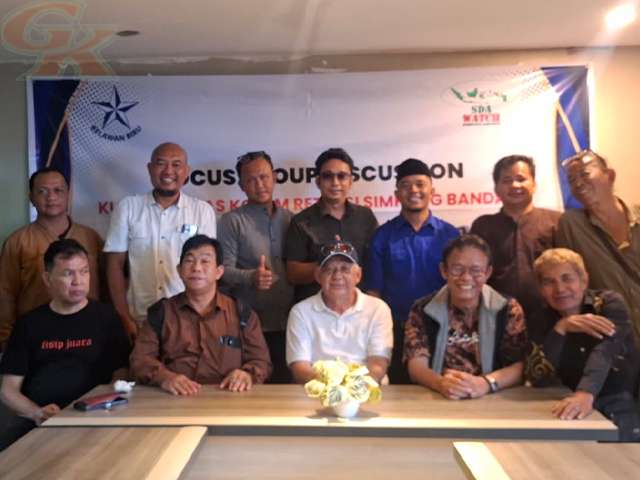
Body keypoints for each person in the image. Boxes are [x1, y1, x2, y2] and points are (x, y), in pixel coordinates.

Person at [0, 239, 130, 451]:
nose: (78, 281)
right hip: (38, 422)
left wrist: (99, 405)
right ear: (47, 279)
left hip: (95, 418)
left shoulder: (107, 318)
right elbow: (8, 391)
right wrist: (37, 413)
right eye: (68, 273)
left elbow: (121, 376)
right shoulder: (29, 324)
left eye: (84, 272)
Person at [130, 235, 272, 395]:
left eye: (205, 261)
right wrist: (165, 378)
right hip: (175, 400)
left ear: (219, 272)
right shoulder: (160, 313)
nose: (196, 268)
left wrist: (246, 374)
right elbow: (139, 360)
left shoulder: (241, 314)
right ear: (179, 270)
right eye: (190, 261)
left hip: (229, 399)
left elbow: (261, 362)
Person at [104, 142, 217, 341]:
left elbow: (208, 268)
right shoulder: (128, 208)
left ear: (186, 172)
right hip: (140, 319)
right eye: (161, 163)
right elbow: (114, 264)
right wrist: (124, 316)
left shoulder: (202, 211)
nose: (168, 171)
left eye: (176, 165)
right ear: (150, 169)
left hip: (189, 321)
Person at [525, 248, 640, 440]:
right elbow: (536, 376)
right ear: (541, 290)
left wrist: (584, 393)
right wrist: (561, 328)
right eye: (549, 282)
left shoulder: (608, 304)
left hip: (620, 405)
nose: (560, 289)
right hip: (571, 406)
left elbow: (604, 352)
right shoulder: (541, 319)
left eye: (567, 278)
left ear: (583, 280)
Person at [364, 158, 459, 384]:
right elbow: (373, 292)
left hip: (443, 330)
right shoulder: (382, 236)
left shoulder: (450, 235)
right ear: (397, 194)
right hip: (397, 331)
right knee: (398, 394)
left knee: (444, 389)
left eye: (420, 184)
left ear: (432, 191)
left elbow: (461, 285)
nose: (414, 190)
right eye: (406, 185)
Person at [404, 235, 528, 399]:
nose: (466, 278)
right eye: (457, 269)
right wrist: (440, 383)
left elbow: (520, 366)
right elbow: (416, 366)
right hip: (437, 396)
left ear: (488, 273)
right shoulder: (423, 308)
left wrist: (485, 383)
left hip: (492, 398)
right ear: (444, 271)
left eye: (476, 270)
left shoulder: (507, 308)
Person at [0, 168, 105, 351]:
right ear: (31, 198)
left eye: (58, 190)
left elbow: (105, 288)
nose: (51, 197)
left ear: (69, 195)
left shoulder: (91, 237)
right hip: (37, 338)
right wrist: (6, 340)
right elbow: (5, 296)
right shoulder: (17, 242)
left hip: (88, 334)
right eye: (43, 191)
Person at [218, 151, 294, 383]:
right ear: (241, 186)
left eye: (264, 177)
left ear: (275, 178)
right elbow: (222, 271)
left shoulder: (291, 219)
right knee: (251, 390)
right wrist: (251, 277)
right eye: (251, 180)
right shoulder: (232, 221)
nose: (259, 185)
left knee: (287, 391)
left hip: (290, 324)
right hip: (250, 327)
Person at [556, 149, 640, 347]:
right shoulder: (572, 224)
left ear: (610, 175)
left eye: (585, 174)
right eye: (571, 180)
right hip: (614, 340)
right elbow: (569, 279)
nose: (578, 183)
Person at [471, 154, 560, 327]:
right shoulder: (483, 226)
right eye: (507, 180)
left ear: (534, 185)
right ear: (496, 189)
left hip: (550, 316)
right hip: (497, 318)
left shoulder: (556, 222)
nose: (515, 185)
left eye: (521, 179)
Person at [286, 240, 393, 385]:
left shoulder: (378, 309)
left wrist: (357, 387)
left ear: (358, 275)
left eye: (345, 269)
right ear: (318, 276)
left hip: (368, 388)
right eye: (329, 269)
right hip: (317, 390)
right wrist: (332, 388)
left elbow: (378, 363)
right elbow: (300, 368)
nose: (337, 276)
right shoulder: (300, 312)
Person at [285, 148, 378, 303]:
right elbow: (293, 274)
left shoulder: (366, 217)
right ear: (318, 182)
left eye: (342, 176)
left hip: (358, 309)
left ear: (351, 182)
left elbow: (376, 264)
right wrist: (328, 262)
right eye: (328, 176)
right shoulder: (301, 222)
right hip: (315, 311)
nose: (335, 183)